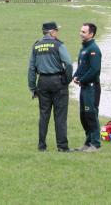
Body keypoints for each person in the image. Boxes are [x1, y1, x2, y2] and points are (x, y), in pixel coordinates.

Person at [27, 21, 74, 152]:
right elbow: (68, 64)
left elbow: (31, 68)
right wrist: (67, 80)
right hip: (58, 82)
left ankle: (41, 145)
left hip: (42, 82)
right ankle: (62, 146)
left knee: (44, 115)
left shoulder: (36, 46)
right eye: (56, 30)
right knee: (60, 115)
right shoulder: (58, 44)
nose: (57, 32)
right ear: (52, 32)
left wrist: (32, 87)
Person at [73, 22, 103, 152]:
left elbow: (94, 70)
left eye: (84, 32)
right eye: (81, 31)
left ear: (91, 34)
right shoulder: (83, 49)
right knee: (83, 116)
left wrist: (82, 80)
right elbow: (82, 66)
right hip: (84, 87)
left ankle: (95, 144)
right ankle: (87, 142)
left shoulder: (94, 50)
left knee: (91, 115)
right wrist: (75, 75)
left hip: (91, 87)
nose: (81, 33)